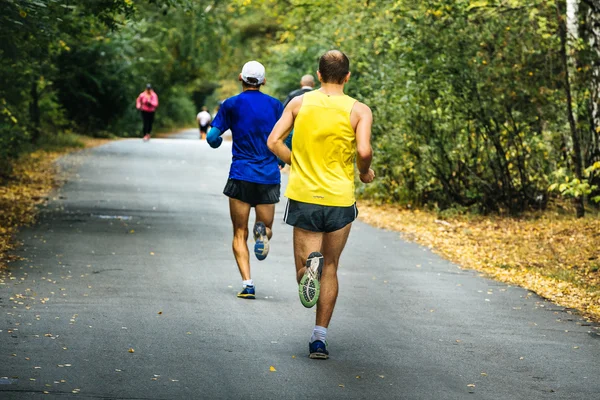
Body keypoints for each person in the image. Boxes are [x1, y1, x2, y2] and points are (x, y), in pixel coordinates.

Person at [267, 50, 375, 359]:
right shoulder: (359, 110)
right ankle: (319, 339)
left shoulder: (299, 103)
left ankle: (308, 269)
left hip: (304, 195)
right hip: (340, 198)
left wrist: (296, 163)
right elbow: (364, 150)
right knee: (332, 267)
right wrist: (363, 170)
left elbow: (273, 141)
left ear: (318, 74)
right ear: (347, 76)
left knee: (305, 269)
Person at [207, 61, 284, 300]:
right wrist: (281, 160)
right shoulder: (275, 105)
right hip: (268, 176)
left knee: (239, 232)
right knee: (266, 227)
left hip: (241, 175)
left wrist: (218, 141)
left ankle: (248, 284)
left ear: (241, 78)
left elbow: (212, 137)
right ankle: (262, 235)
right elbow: (287, 137)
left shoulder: (231, 104)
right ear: (263, 81)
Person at [277, 74, 315, 167]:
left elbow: (283, 113)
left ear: (301, 83)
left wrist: (281, 162)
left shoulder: (293, 95)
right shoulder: (320, 97)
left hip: (296, 133)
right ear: (313, 84)